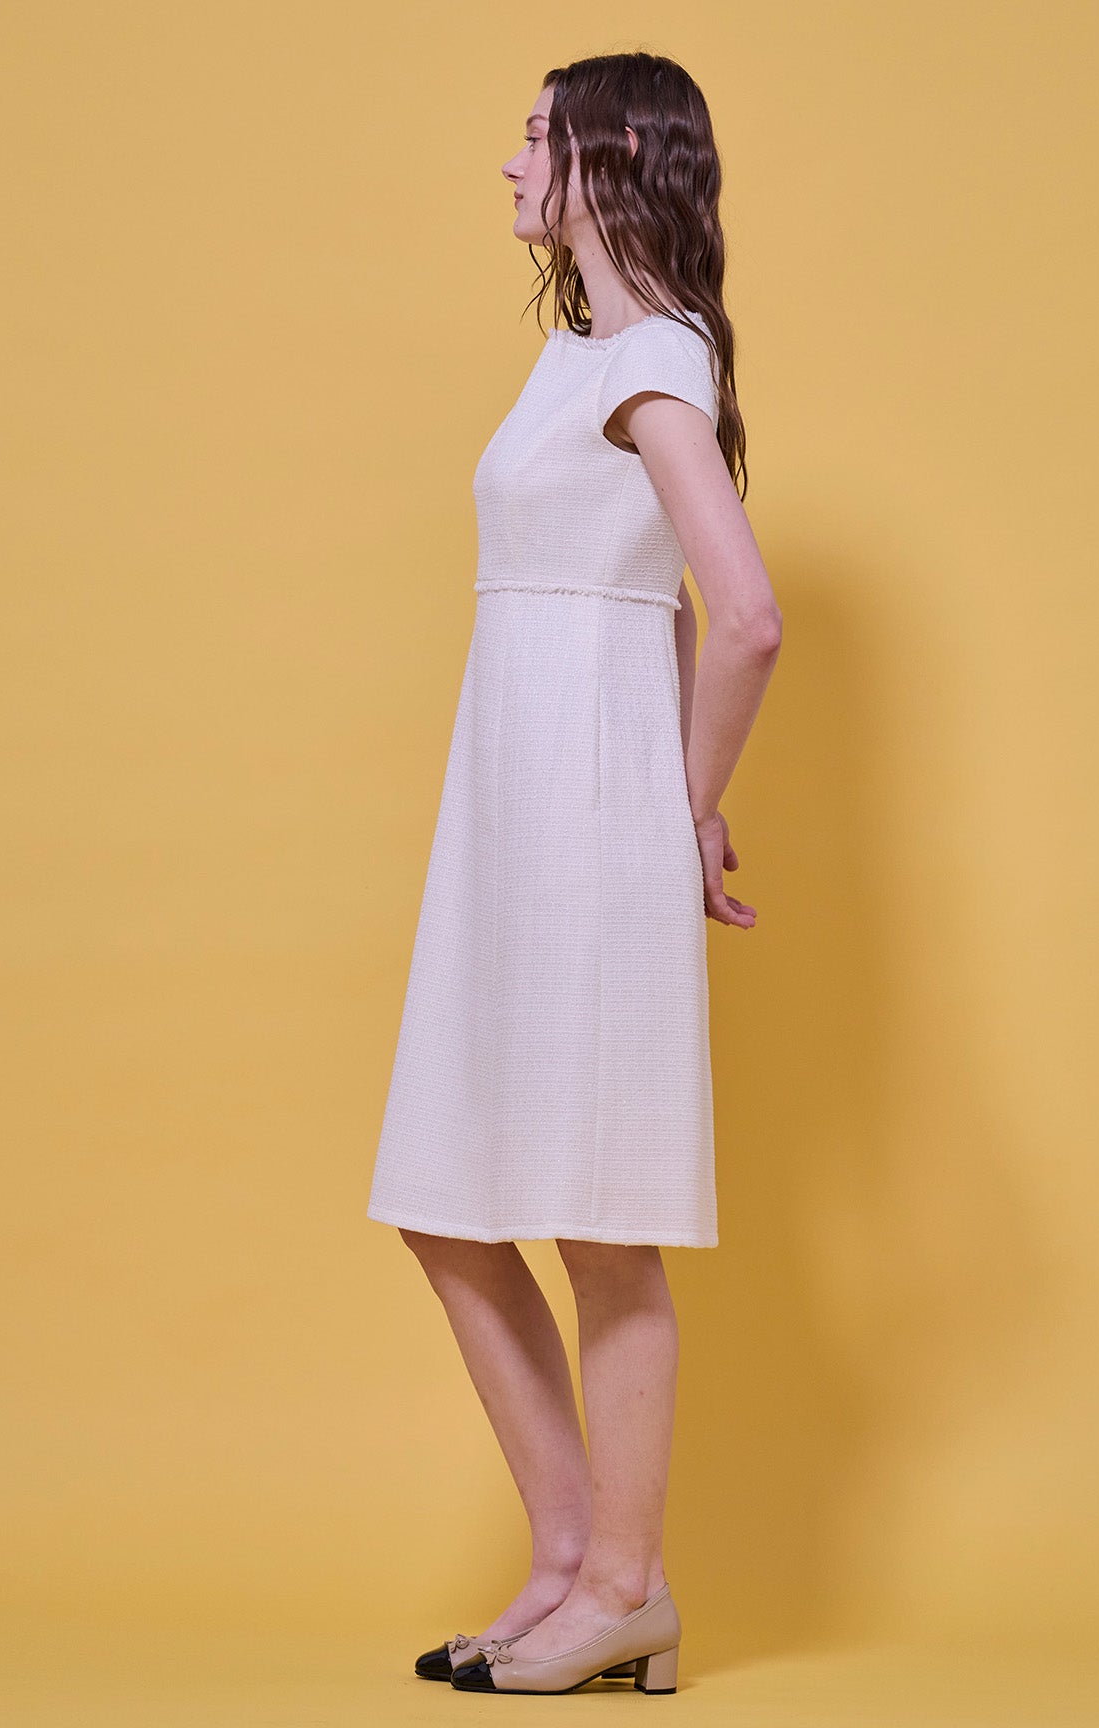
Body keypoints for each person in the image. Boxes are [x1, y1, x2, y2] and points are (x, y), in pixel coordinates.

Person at [366, 51, 782, 1695]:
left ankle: (623, 1587)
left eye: (534, 135)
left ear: (608, 155)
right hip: (519, 811)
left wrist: (683, 803)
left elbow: (748, 613)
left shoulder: (656, 358)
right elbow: (664, 596)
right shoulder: (581, 355)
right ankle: (568, 1562)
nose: (510, 163)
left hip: (591, 820)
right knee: (452, 1200)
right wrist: (688, 790)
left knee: (600, 1226)